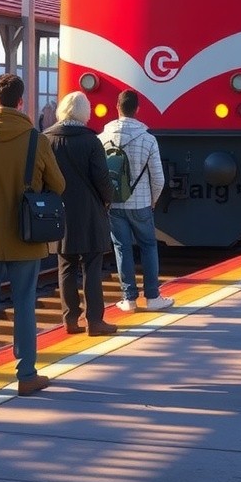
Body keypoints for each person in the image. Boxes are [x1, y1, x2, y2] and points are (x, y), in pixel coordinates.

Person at [0, 73, 65, 396]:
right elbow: (59, 185)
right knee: (24, 304)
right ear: (20, 102)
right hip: (26, 235)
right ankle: (27, 374)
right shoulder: (36, 139)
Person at [44, 91, 117, 336]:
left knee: (65, 265)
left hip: (59, 211)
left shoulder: (47, 139)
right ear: (84, 113)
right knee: (92, 266)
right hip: (89, 212)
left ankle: (70, 319)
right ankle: (95, 321)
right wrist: (109, 199)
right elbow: (102, 178)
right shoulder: (91, 141)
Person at [99, 89, 174, 313]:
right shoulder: (147, 139)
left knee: (122, 249)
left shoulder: (102, 138)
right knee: (149, 246)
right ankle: (152, 297)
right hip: (141, 204)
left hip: (114, 204)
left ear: (117, 107)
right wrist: (152, 200)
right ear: (137, 109)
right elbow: (158, 178)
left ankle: (129, 299)